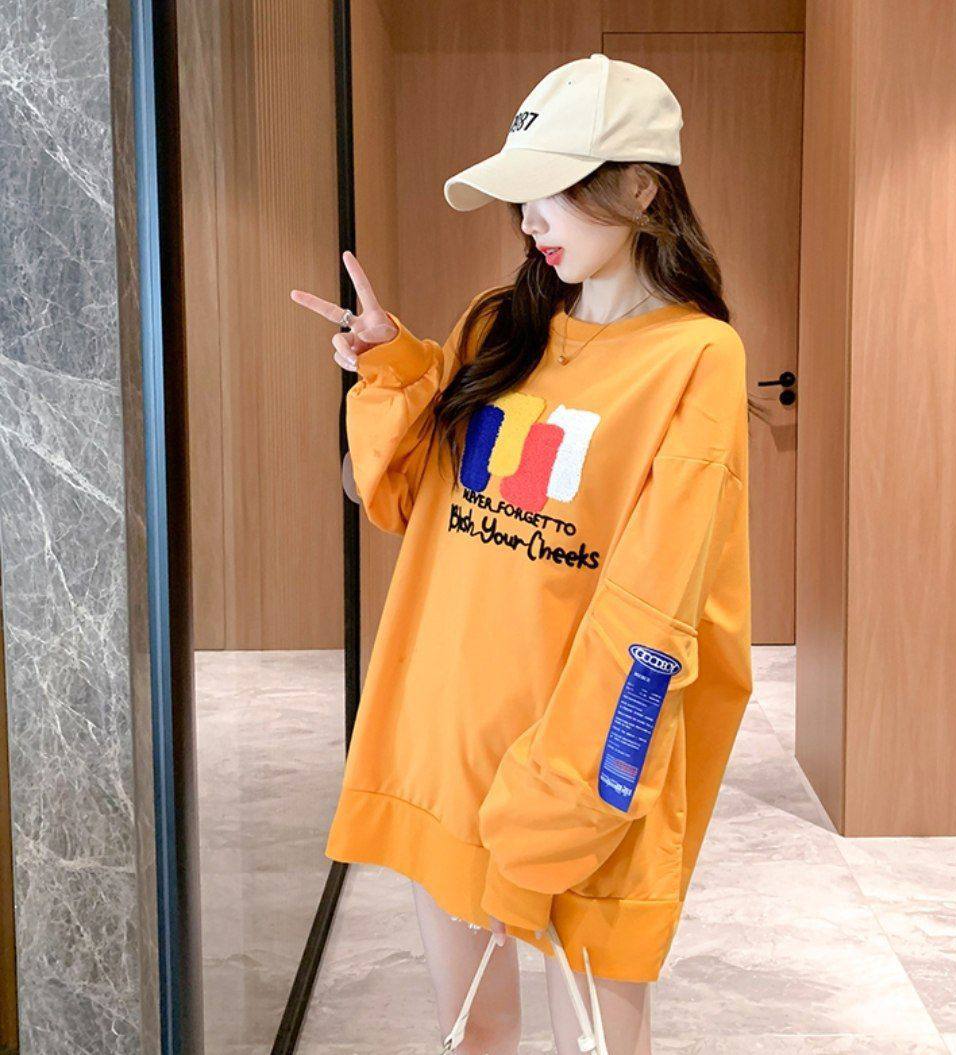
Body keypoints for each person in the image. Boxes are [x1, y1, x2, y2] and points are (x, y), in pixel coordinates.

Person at [291, 52, 752, 1055]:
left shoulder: (697, 357)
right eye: (521, 197)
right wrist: (391, 368)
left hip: (582, 764)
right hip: (453, 731)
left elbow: (655, 601)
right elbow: (388, 492)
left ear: (642, 188)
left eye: (555, 189)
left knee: (600, 1042)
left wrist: (564, 789)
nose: (531, 220)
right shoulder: (497, 326)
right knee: (475, 1036)